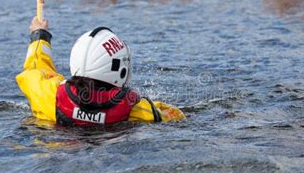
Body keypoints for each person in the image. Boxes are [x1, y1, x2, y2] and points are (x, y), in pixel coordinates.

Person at [16, 17, 185, 126]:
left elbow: (36, 67)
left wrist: (40, 35)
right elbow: (175, 116)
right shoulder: (138, 110)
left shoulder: (49, 95)